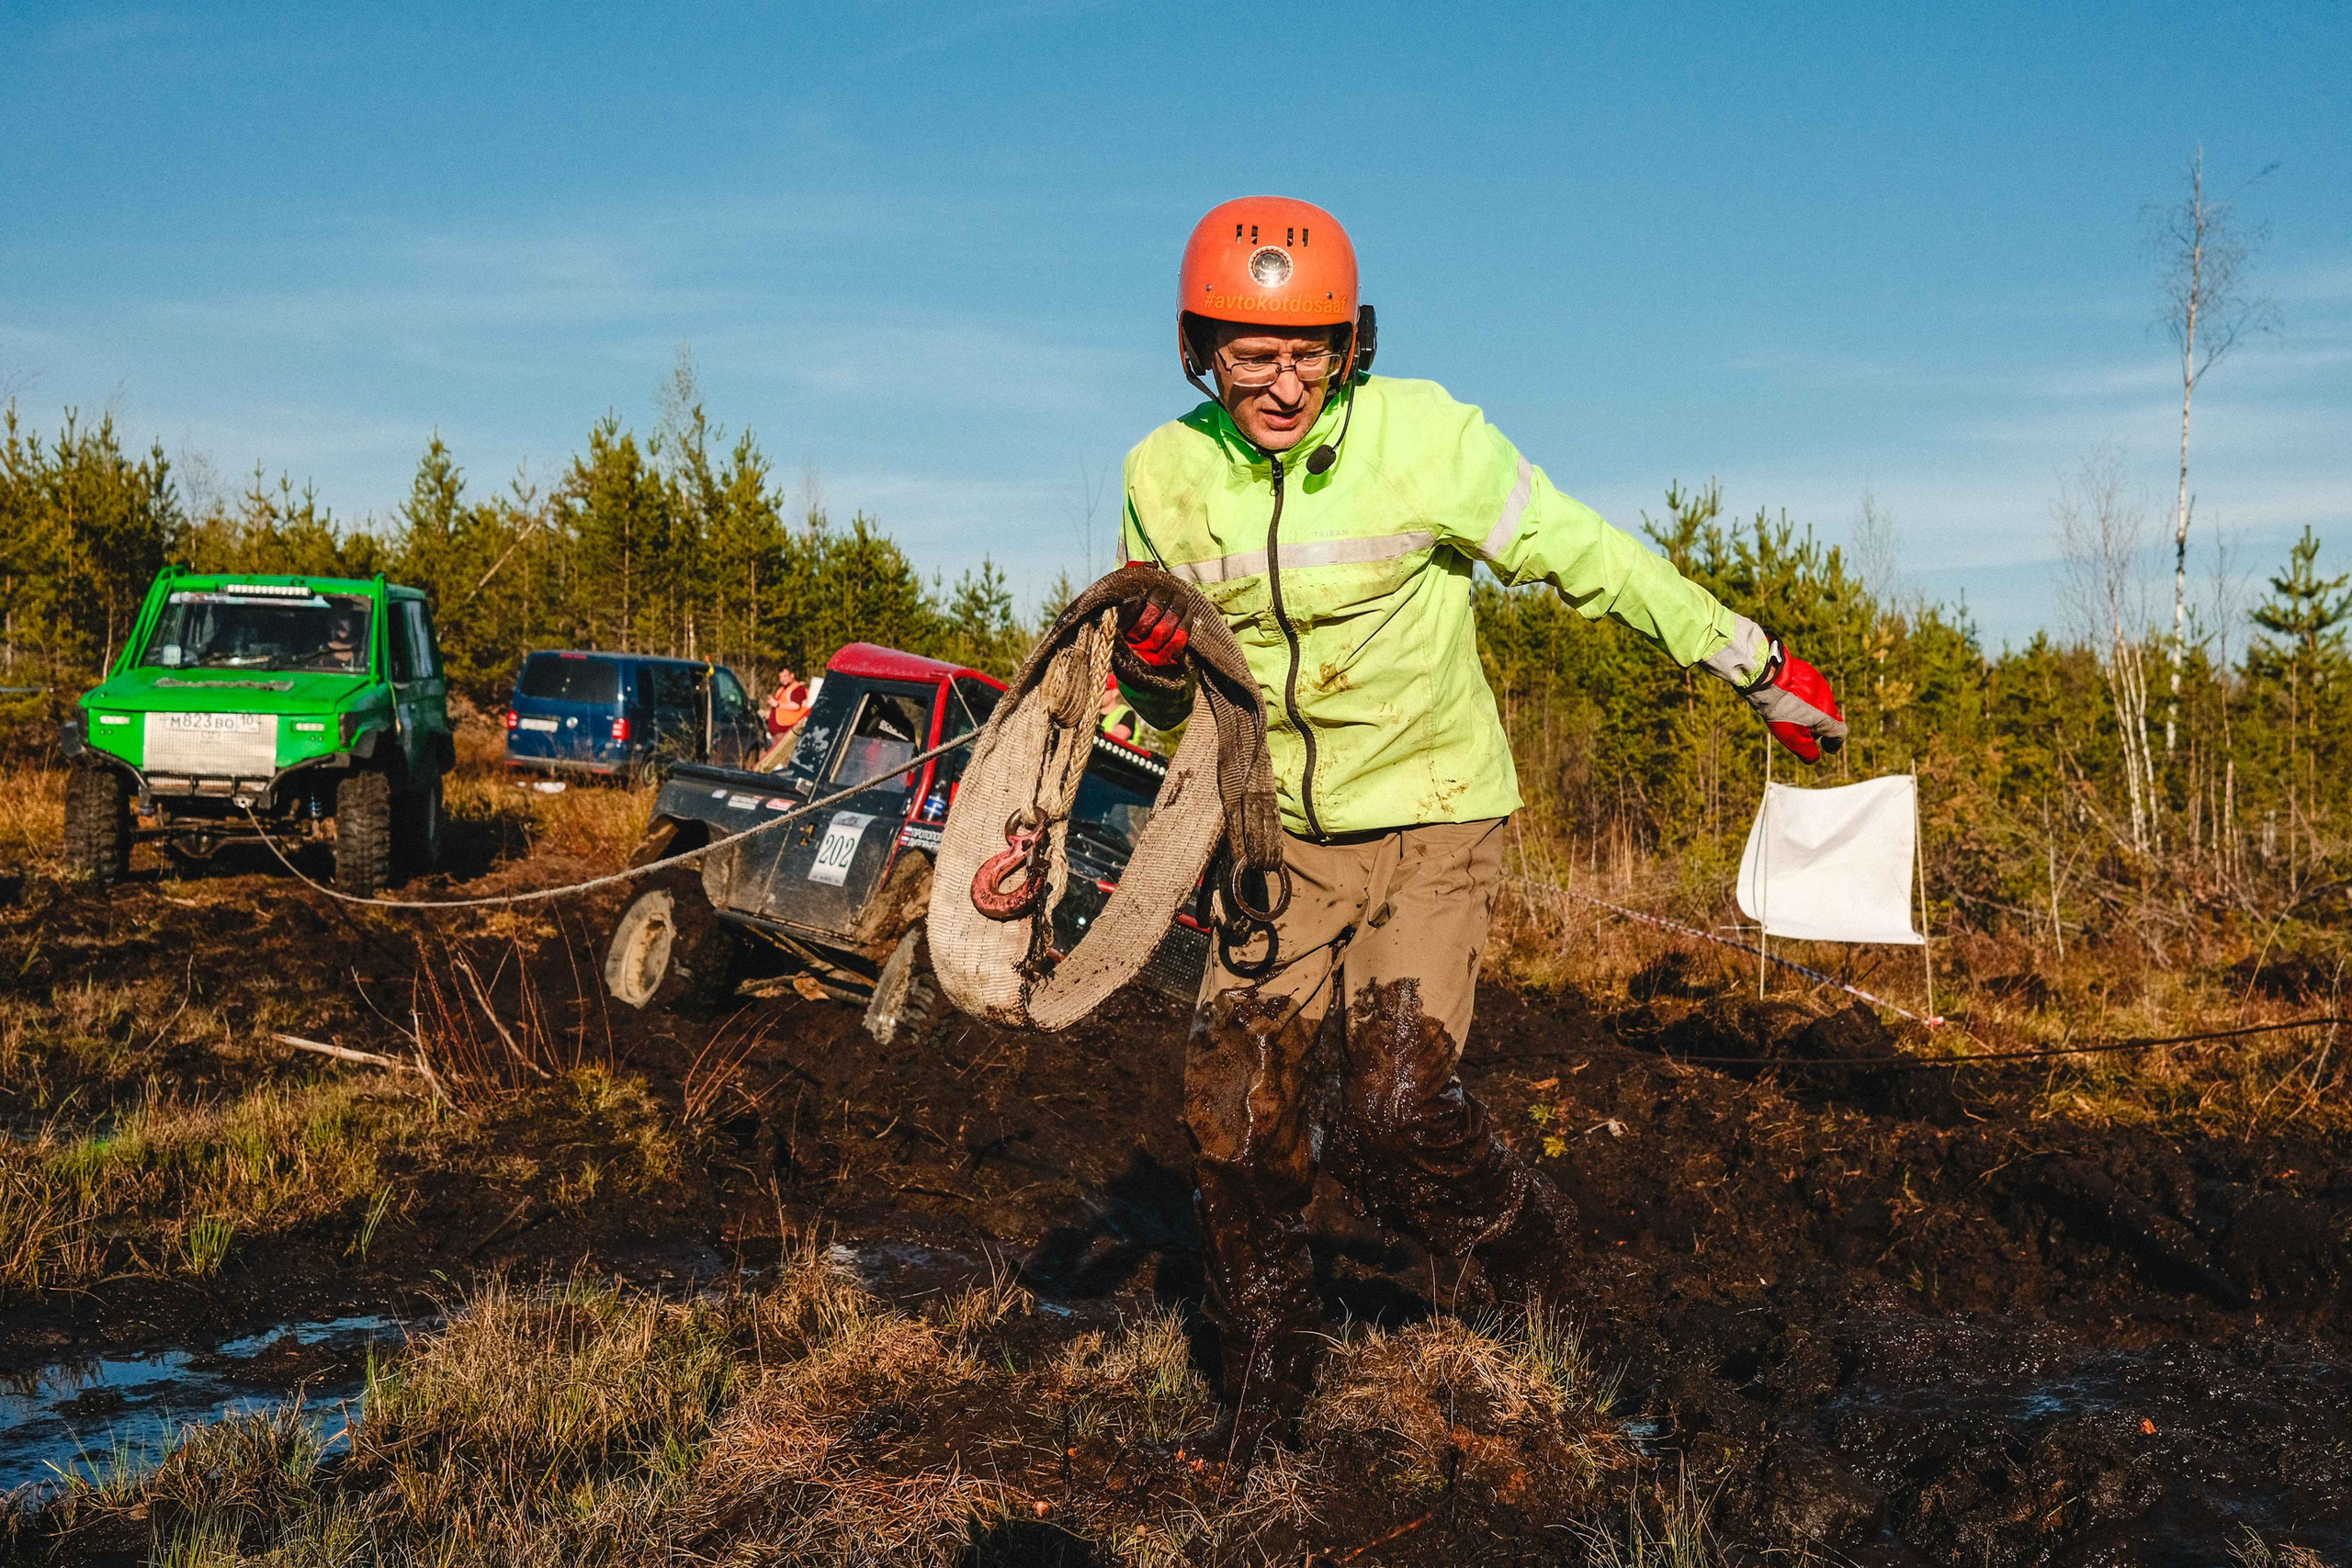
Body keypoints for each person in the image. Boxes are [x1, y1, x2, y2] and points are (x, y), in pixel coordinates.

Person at [1111, 197, 1847, 1460]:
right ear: (1198, 347)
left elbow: (1589, 554)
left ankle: (1540, 1257)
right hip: (1272, 840)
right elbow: (1146, 686)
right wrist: (1150, 657)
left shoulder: (1429, 441)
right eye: (1252, 352)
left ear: (1352, 345)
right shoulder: (1161, 479)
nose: (1284, 384)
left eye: (1313, 351)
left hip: (1436, 819)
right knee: (1237, 1120)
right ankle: (1265, 1398)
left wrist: (1750, 660)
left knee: (1395, 1106)